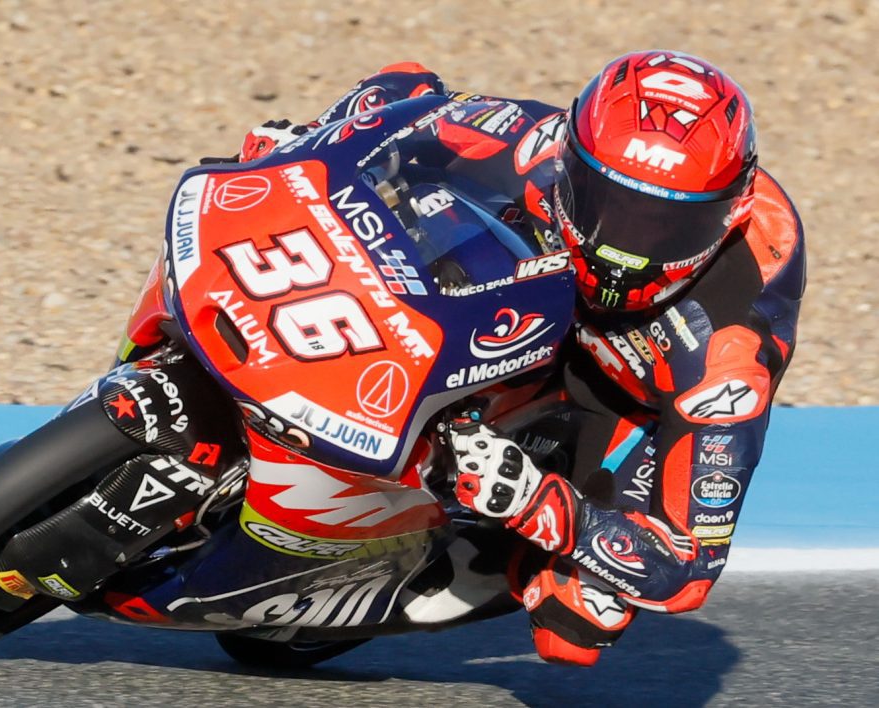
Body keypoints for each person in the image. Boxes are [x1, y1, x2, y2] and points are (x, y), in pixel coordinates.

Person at [237, 51, 806, 665]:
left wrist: (537, 502)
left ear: (729, 217)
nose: (626, 249)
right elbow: (408, 98)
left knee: (578, 618)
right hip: (545, 291)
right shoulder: (537, 144)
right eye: (607, 204)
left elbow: (688, 569)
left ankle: (425, 554)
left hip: (630, 396)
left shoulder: (727, 360)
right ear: (570, 158)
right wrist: (306, 145)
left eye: (666, 228)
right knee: (423, 193)